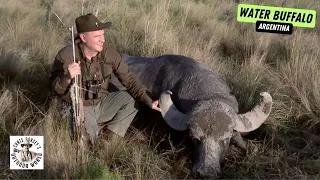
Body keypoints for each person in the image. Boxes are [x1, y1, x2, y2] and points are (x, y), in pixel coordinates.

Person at [50, 14, 161, 145]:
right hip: (78, 107)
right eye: (97, 36)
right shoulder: (67, 55)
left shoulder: (109, 53)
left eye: (103, 35)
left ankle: (110, 141)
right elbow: (54, 89)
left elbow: (130, 80)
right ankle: (94, 139)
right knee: (89, 143)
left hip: (101, 103)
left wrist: (149, 100)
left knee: (131, 100)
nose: (102, 40)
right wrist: (67, 78)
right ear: (83, 37)